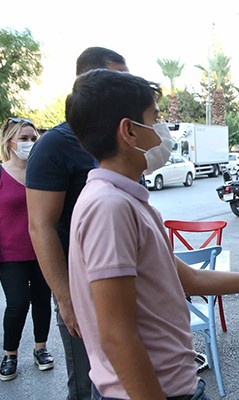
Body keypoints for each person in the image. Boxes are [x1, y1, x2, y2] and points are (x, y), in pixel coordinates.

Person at [63, 68, 239, 400]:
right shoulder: (109, 207)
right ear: (129, 132)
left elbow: (190, 279)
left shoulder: (126, 202)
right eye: (155, 119)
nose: (163, 131)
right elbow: (116, 335)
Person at [26, 47, 128, 400]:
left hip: (124, 280)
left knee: (124, 376)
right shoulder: (54, 145)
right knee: (89, 384)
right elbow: (40, 227)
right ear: (89, 82)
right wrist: (66, 298)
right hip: (82, 288)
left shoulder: (120, 138)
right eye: (119, 80)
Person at [0, 118, 53, 381]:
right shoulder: (0, 174)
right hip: (9, 255)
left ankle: (41, 348)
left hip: (43, 250)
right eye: (23, 138)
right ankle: (10, 353)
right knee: (18, 303)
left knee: (42, 301)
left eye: (33, 138)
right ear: (9, 141)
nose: (30, 143)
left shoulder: (40, 171)